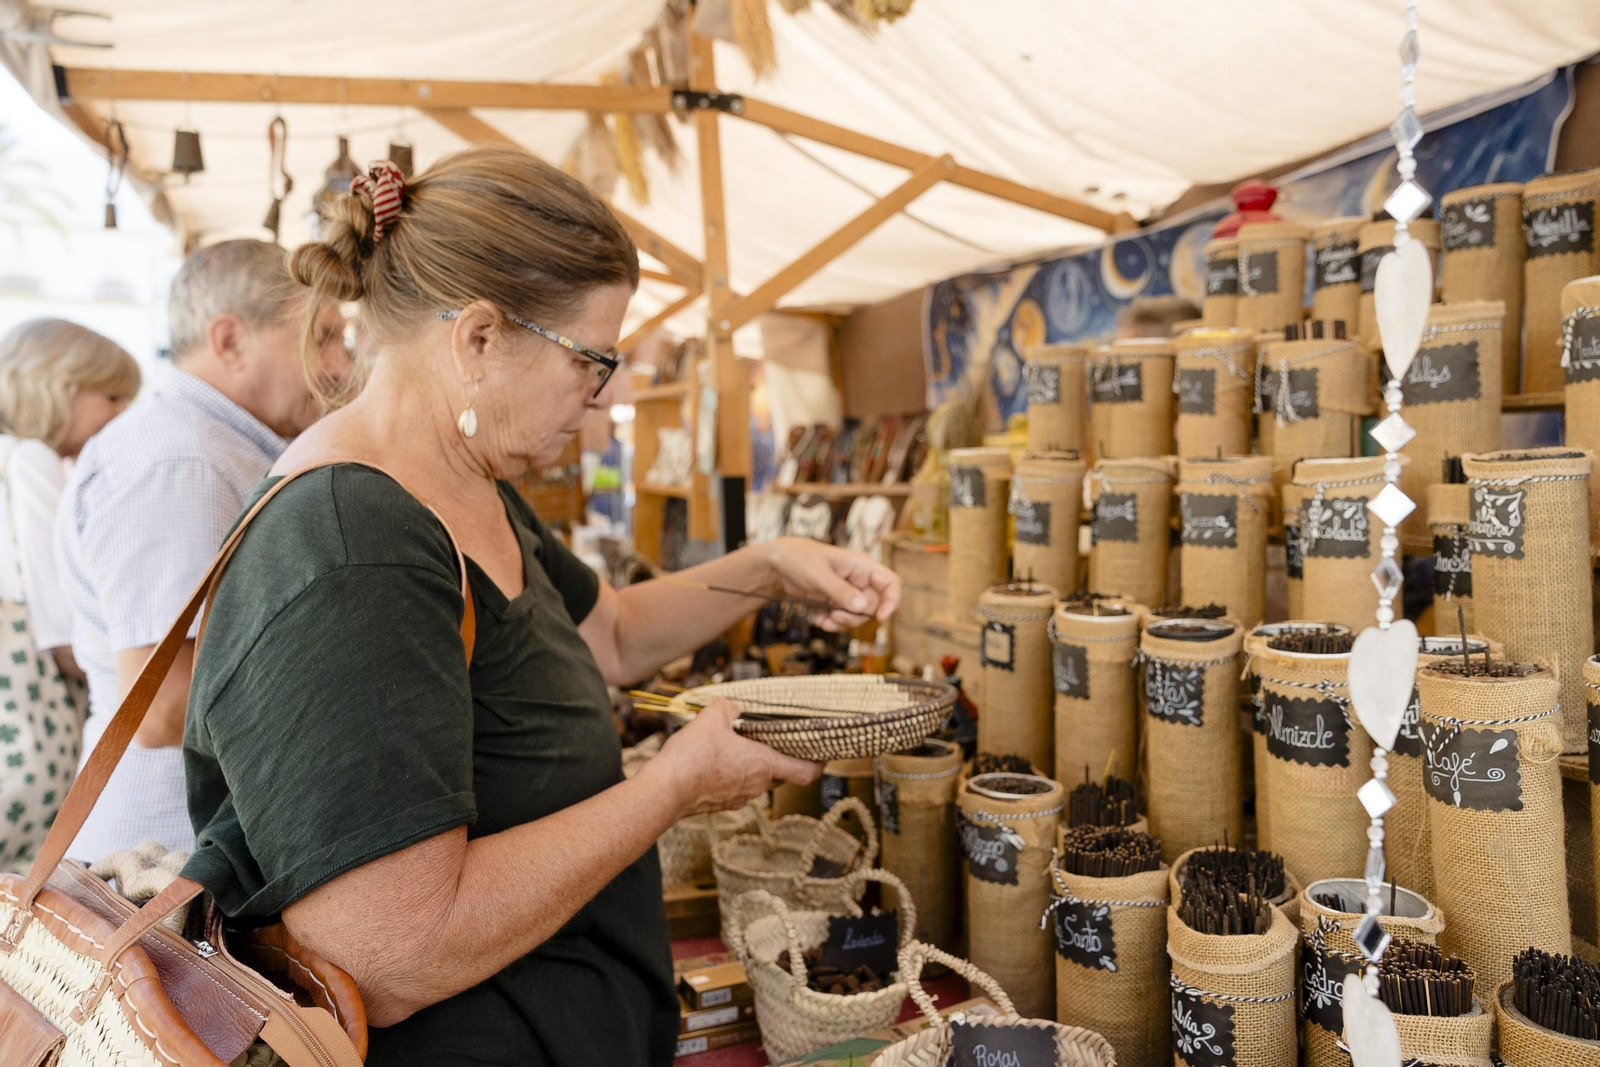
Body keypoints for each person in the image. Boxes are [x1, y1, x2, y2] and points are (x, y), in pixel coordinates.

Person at [182, 148, 901, 1066]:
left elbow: (612, 632)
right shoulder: (347, 544)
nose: (600, 404)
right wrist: (673, 785)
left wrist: (766, 566)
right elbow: (391, 952)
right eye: (590, 363)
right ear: (479, 339)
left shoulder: (464, 479)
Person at [55, 239, 347, 863]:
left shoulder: (203, 448)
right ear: (230, 340)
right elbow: (162, 706)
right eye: (321, 337)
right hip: (165, 868)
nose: (340, 366)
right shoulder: (182, 461)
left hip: (179, 857)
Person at [0, 319, 139, 871]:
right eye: (110, 396)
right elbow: (63, 630)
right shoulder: (27, 460)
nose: (122, 413)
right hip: (29, 739)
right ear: (57, 387)